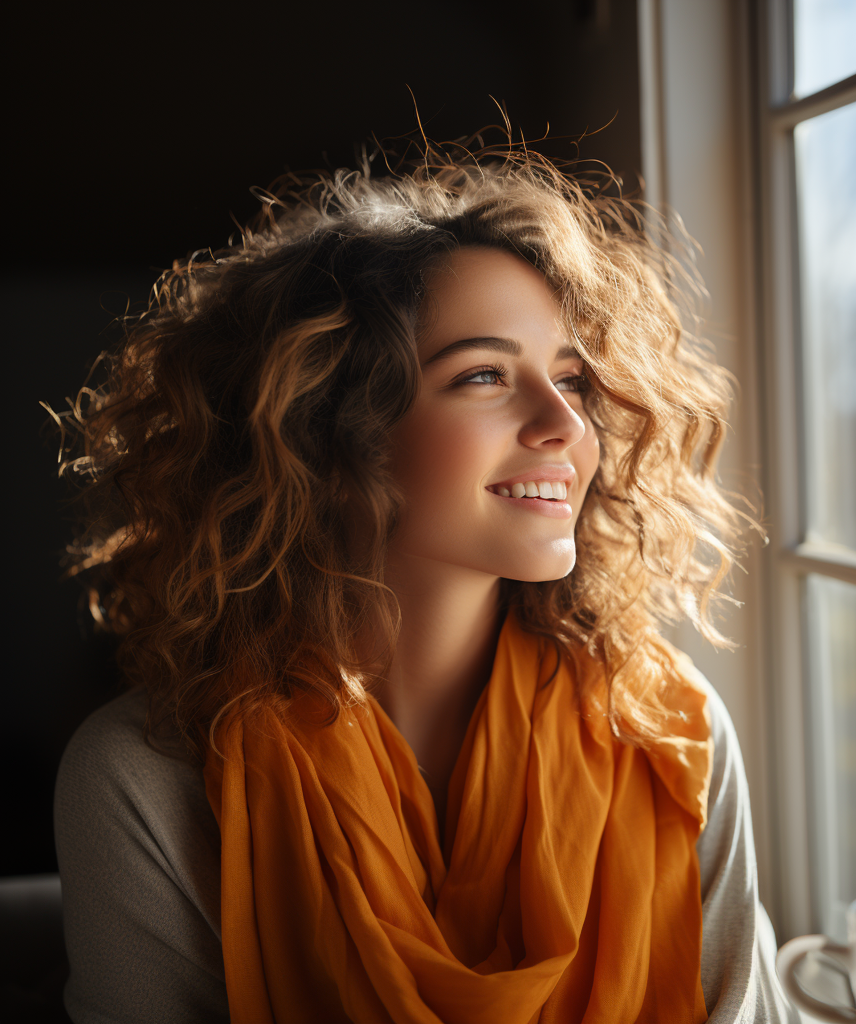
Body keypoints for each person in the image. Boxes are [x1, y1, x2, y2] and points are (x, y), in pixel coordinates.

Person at [50, 130, 797, 1022]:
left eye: (571, 379)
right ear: (327, 435)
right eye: (484, 375)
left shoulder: (668, 734)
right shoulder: (143, 782)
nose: (565, 424)